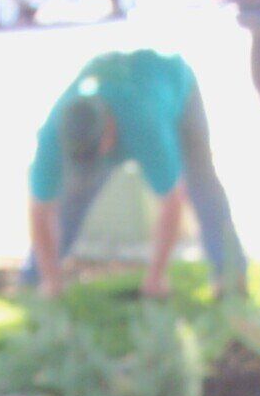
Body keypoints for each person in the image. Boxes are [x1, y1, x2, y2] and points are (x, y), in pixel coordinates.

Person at [26, 50, 248, 302]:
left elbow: (171, 200)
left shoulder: (144, 123)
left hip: (176, 88)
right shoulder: (54, 132)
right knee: (74, 195)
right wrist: (50, 279)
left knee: (201, 183)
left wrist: (155, 276)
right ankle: (35, 283)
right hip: (118, 101)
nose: (91, 164)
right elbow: (40, 209)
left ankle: (230, 276)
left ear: (108, 130)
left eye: (94, 154)